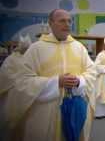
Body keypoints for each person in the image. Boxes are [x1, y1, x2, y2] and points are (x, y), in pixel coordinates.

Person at [3, 9, 96, 141]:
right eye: (62, 21)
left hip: (75, 108)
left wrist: (79, 81)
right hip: (44, 113)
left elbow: (92, 72)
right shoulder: (36, 49)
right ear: (51, 23)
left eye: (70, 21)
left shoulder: (79, 47)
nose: (68, 24)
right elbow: (22, 81)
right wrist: (55, 82)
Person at [0, 35, 32, 139]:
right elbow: (5, 74)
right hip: (12, 93)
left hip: (26, 92)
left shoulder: (30, 58)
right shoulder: (11, 59)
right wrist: (18, 80)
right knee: (12, 119)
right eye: (24, 47)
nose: (26, 49)